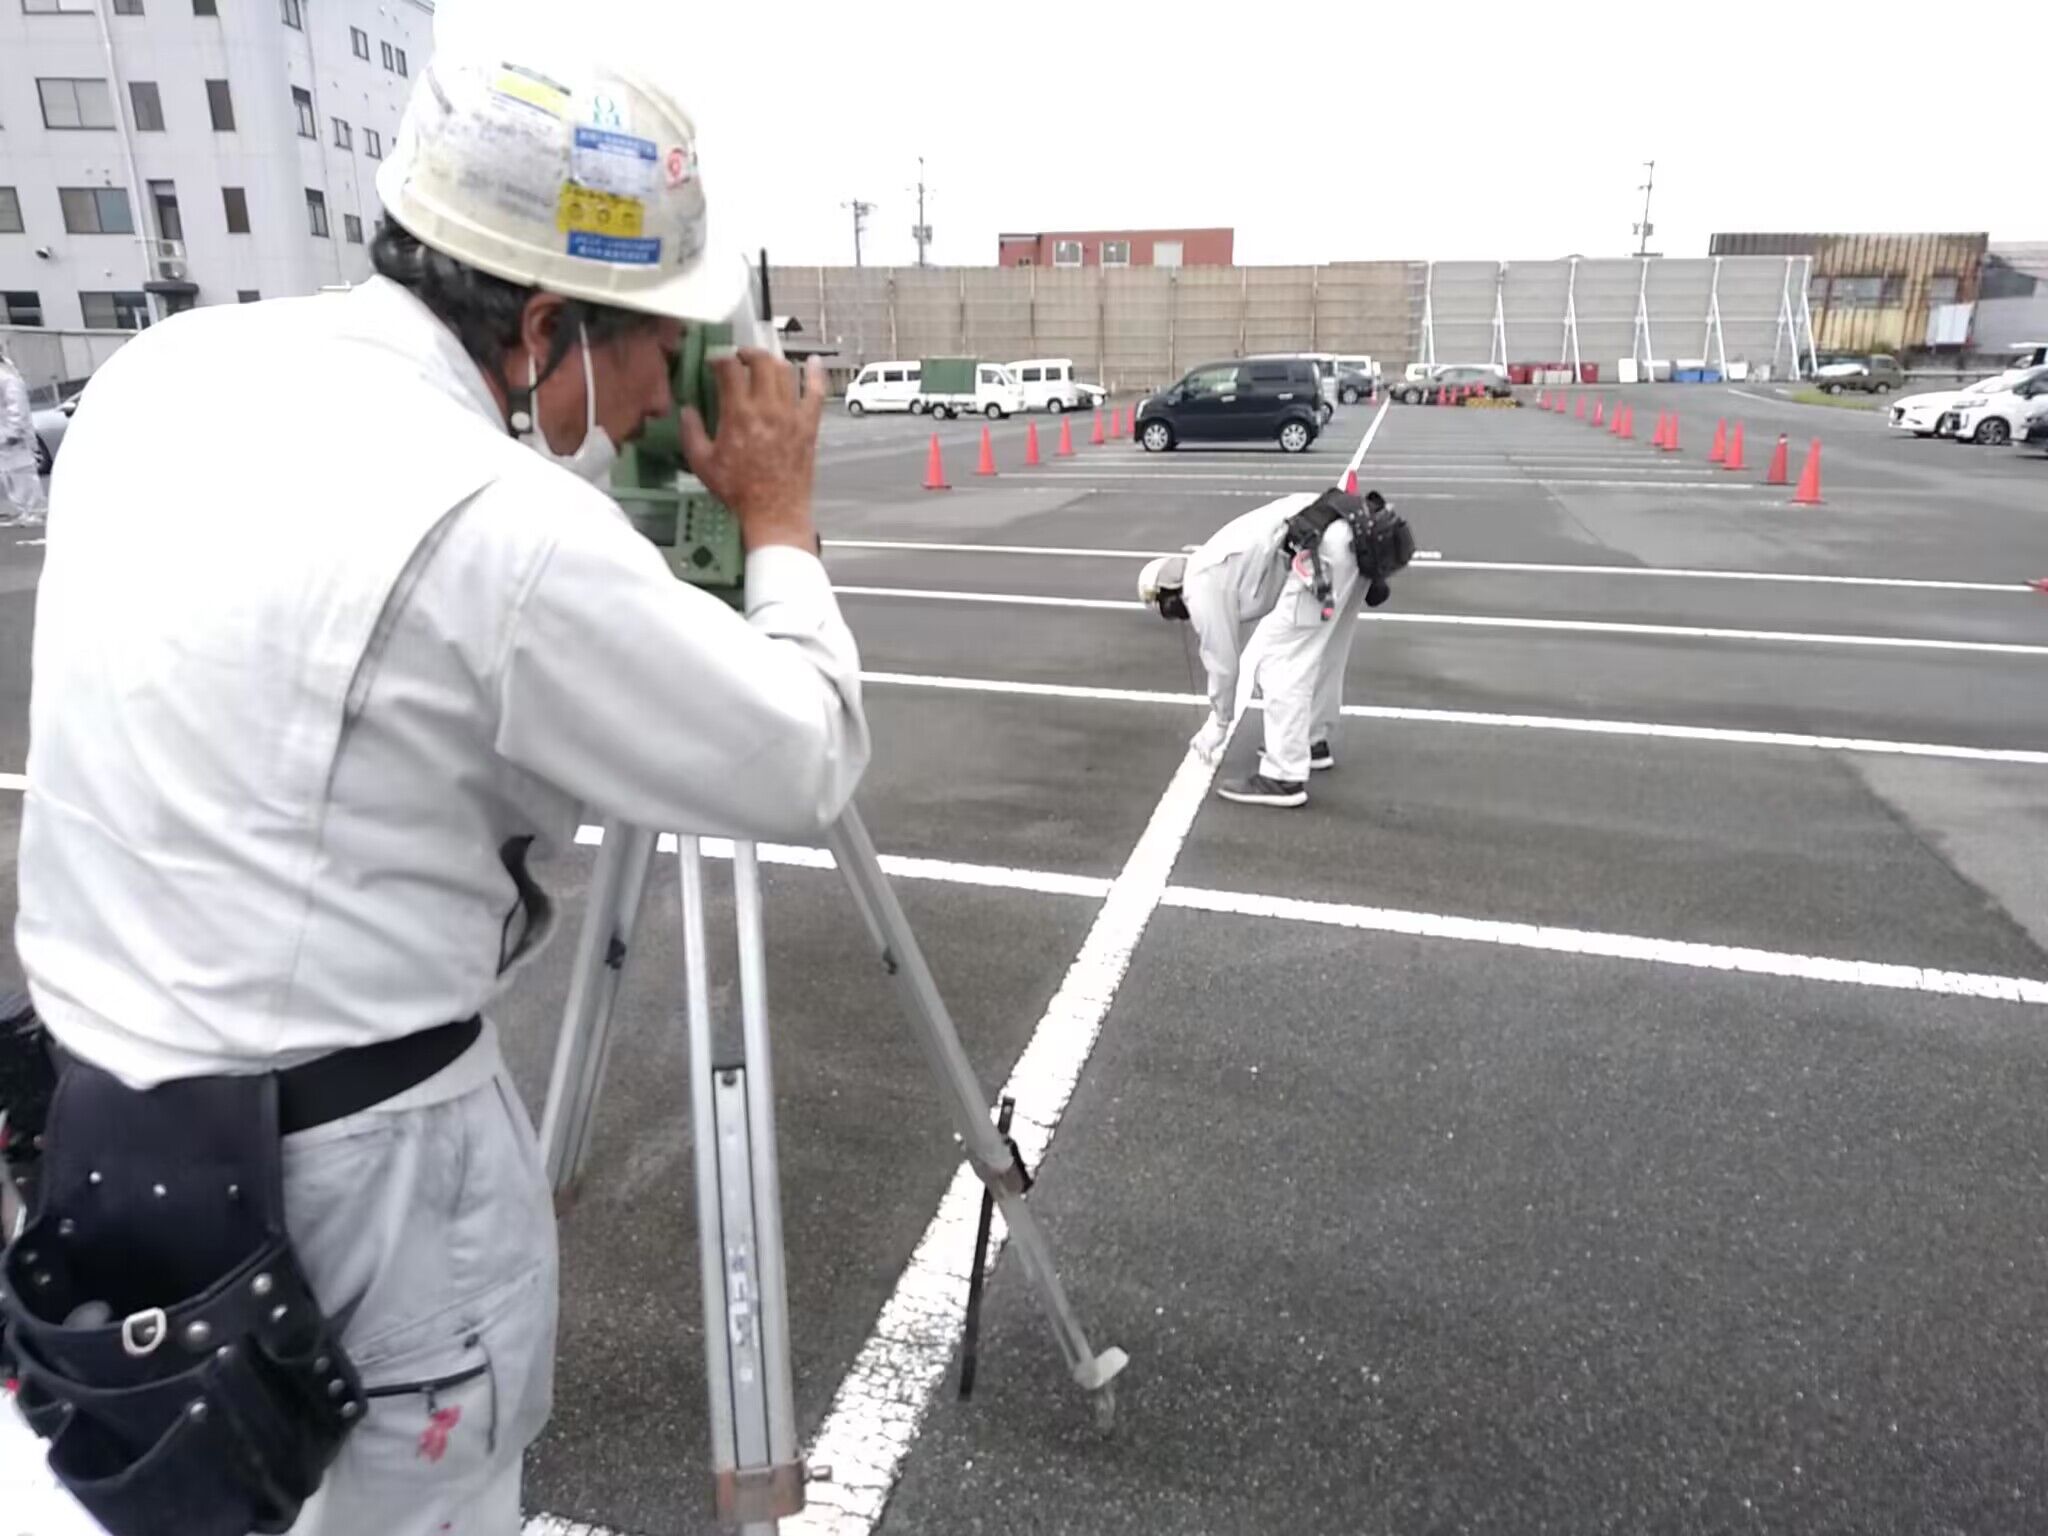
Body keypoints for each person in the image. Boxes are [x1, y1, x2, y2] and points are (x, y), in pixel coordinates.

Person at [5, 42, 867, 1536]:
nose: (668, 378)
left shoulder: (166, 374)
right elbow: (801, 757)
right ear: (543, 325)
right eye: (656, 339)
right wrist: (777, 519)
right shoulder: (504, 530)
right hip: (364, 1185)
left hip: (103, 1127)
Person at [1139, 487, 1407, 809]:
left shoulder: (1200, 584)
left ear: (1168, 595)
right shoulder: (1210, 562)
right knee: (1323, 652)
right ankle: (1312, 739)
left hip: (1321, 548)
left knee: (1281, 662)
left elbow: (1222, 662)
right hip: (1347, 533)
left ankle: (1283, 776)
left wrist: (1219, 722)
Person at [0, 343, 47, 528]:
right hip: (6, 438)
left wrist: (13, 432)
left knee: (22, 476)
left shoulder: (8, 378)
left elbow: (17, 409)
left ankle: (35, 512)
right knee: (11, 476)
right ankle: (26, 511)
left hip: (14, 439)